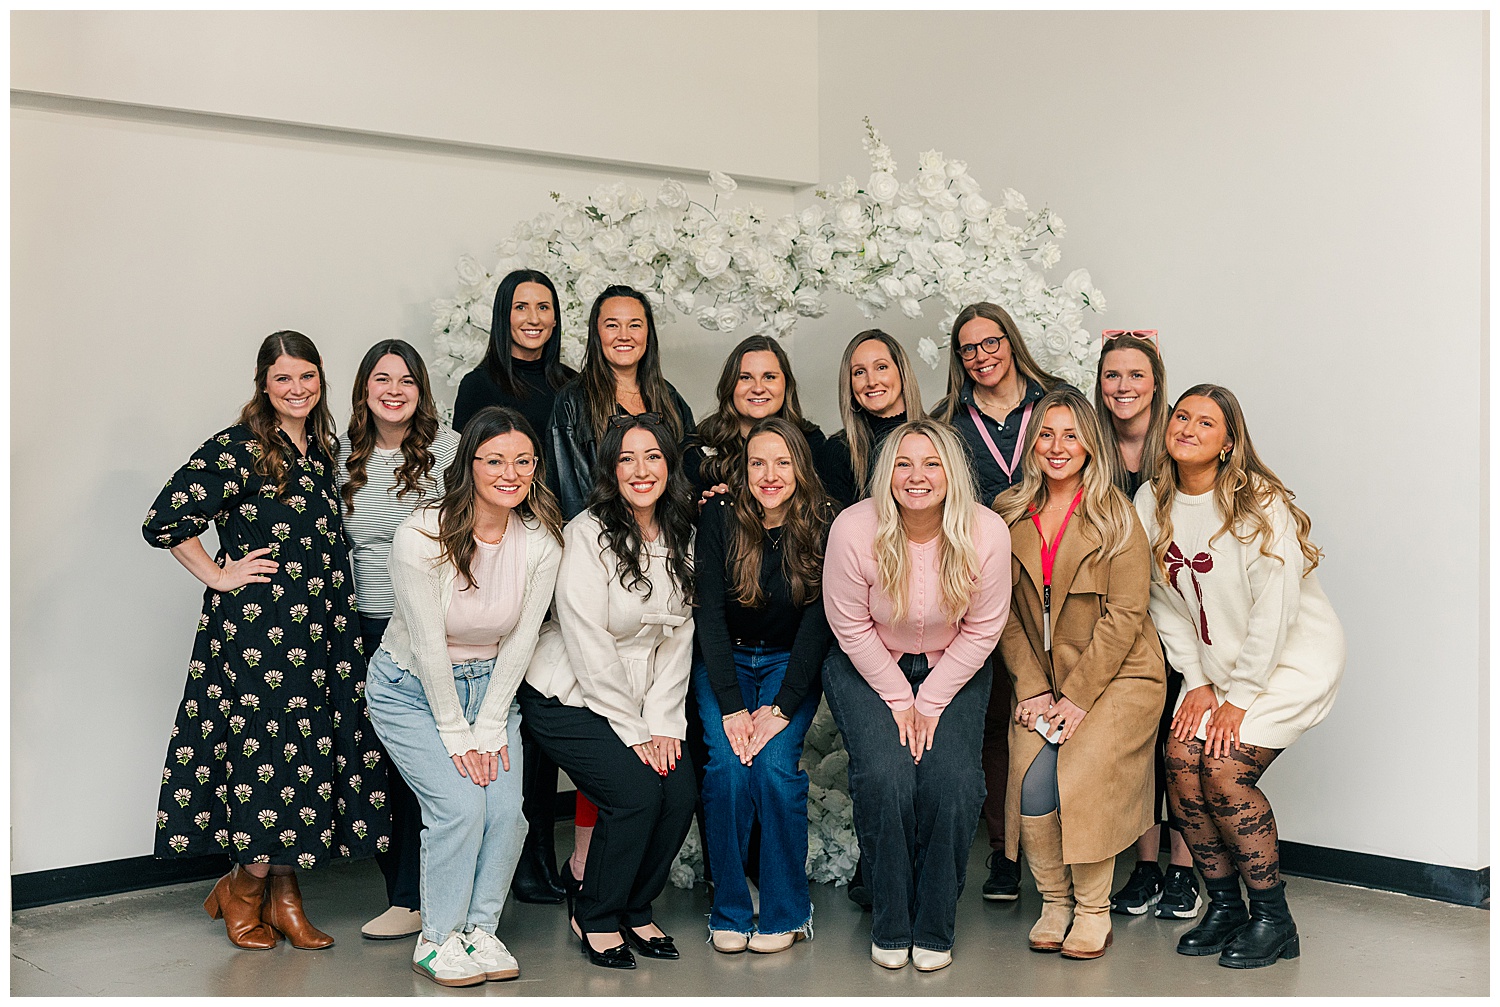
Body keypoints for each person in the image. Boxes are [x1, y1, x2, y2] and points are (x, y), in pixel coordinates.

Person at [143, 330, 388, 951]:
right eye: (283, 378)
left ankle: (284, 896)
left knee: (305, 761)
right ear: (264, 384)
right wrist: (218, 574)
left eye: (307, 376)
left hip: (324, 631)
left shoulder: (323, 449)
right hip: (261, 636)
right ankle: (244, 889)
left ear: (321, 378)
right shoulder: (236, 448)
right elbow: (164, 520)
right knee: (267, 760)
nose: (297, 389)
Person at [1136, 384, 1344, 970]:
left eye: (1206, 422)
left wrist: (1242, 695)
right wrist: (1198, 681)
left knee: (1224, 770)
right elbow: (1162, 601)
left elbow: (1275, 609)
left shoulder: (1257, 502)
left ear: (1229, 443)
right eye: (1181, 416)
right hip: (1216, 668)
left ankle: (1275, 920)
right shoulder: (1151, 501)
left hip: (1289, 661)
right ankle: (1225, 907)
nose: (1188, 428)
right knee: (1181, 762)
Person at [364, 406, 564, 987]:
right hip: (410, 691)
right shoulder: (420, 535)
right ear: (468, 464)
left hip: (491, 691)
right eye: (495, 460)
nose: (511, 473)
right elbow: (428, 644)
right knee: (458, 808)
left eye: (523, 461)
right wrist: (458, 734)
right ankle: (437, 938)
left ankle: (478, 931)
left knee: (505, 813)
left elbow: (522, 640)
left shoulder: (541, 541)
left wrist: (490, 723)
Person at [822, 419, 1010, 973]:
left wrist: (928, 702)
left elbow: (983, 629)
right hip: (867, 664)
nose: (916, 476)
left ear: (952, 473)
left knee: (953, 784)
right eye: (903, 464)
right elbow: (849, 625)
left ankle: (933, 924)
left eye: (931, 464)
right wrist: (899, 697)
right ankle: (891, 920)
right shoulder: (854, 528)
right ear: (887, 473)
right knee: (887, 777)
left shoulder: (987, 531)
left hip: (955, 666)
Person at [520, 414, 699, 970]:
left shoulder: (683, 533)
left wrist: (664, 723)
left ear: (669, 465)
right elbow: (587, 642)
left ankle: (635, 907)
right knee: (636, 794)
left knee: (680, 793)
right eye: (627, 458)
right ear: (610, 470)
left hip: (644, 700)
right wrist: (634, 730)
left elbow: (680, 637)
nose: (641, 470)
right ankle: (595, 913)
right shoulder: (587, 533)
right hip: (566, 693)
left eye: (653, 456)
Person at [993, 388, 1166, 961]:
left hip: (1119, 677)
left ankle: (1094, 910)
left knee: (1083, 771)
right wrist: (1032, 686)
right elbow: (999, 613)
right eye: (1046, 434)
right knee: (1031, 778)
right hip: (1042, 680)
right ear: (1031, 444)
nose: (1058, 446)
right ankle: (1055, 901)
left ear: (1090, 444)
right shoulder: (1006, 513)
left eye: (1071, 435)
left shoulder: (1117, 516)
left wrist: (1077, 697)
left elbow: (1126, 616)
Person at [544, 284, 701, 887]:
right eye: (611, 324)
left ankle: (618, 876)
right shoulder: (573, 402)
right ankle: (589, 867)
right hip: (605, 557)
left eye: (635, 323)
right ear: (595, 334)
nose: (624, 335)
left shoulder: (669, 399)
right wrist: (604, 547)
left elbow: (679, 475)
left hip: (656, 558)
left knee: (652, 724)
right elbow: (567, 486)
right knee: (609, 728)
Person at [930, 301, 1068, 902]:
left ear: (1011, 342)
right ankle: (1004, 853)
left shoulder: (1056, 402)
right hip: (981, 582)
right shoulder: (947, 421)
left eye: (991, 343)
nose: (982, 356)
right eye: (969, 348)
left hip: (1056, 577)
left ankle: (1065, 852)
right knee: (995, 719)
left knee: (1061, 708)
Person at [452, 269, 577, 906]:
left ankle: (543, 855)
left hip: (559, 548)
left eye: (544, 307)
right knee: (506, 707)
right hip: (500, 552)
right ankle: (514, 861)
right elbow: (467, 475)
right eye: (521, 307)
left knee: (546, 698)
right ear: (503, 315)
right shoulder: (478, 385)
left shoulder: (572, 385)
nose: (533, 318)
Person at [693, 418, 833, 954]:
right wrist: (732, 708)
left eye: (782, 462)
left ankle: (787, 911)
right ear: (743, 469)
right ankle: (729, 909)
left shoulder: (826, 519)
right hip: (724, 662)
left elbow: (819, 624)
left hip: (788, 664)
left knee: (774, 768)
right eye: (757, 463)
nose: (769, 475)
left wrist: (781, 707)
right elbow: (708, 614)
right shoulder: (721, 515)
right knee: (728, 769)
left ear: (801, 467)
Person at [337, 339, 461, 940]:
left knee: (429, 764)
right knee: (382, 765)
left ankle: (424, 895)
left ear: (422, 391)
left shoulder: (450, 449)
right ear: (364, 389)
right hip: (367, 625)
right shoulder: (338, 456)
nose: (394, 390)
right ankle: (404, 895)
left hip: (434, 626)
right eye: (382, 379)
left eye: (407, 380)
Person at [1091, 330, 1200, 919]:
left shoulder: (1180, 442)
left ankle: (1184, 870)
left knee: (1177, 746)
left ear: (1157, 383)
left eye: (1136, 375)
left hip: (1181, 617)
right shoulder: (1091, 447)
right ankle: (1145, 867)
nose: (1123, 386)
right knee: (1135, 746)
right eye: (1112, 375)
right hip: (1121, 620)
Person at [691, 334, 828, 499]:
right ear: (730, 384)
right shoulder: (699, 444)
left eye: (769, 377)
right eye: (745, 378)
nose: (758, 388)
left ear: (786, 384)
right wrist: (702, 509)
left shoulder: (812, 442)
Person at [821, 330, 924, 509]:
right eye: (859, 372)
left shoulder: (940, 438)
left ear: (902, 372)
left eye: (881, 367)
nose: (871, 381)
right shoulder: (837, 451)